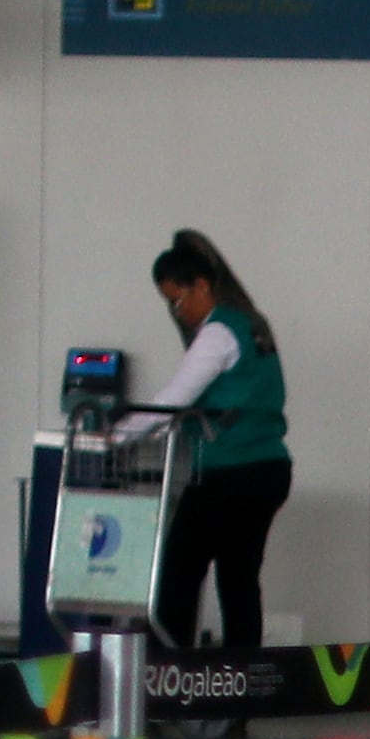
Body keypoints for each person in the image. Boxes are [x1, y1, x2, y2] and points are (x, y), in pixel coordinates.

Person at [119, 230, 291, 650]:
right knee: (239, 580)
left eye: (179, 300)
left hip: (229, 472)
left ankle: (169, 680)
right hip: (269, 468)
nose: (179, 312)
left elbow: (175, 398)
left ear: (201, 285)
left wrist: (114, 437)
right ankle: (239, 690)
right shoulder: (252, 325)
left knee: (179, 572)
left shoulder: (218, 333)